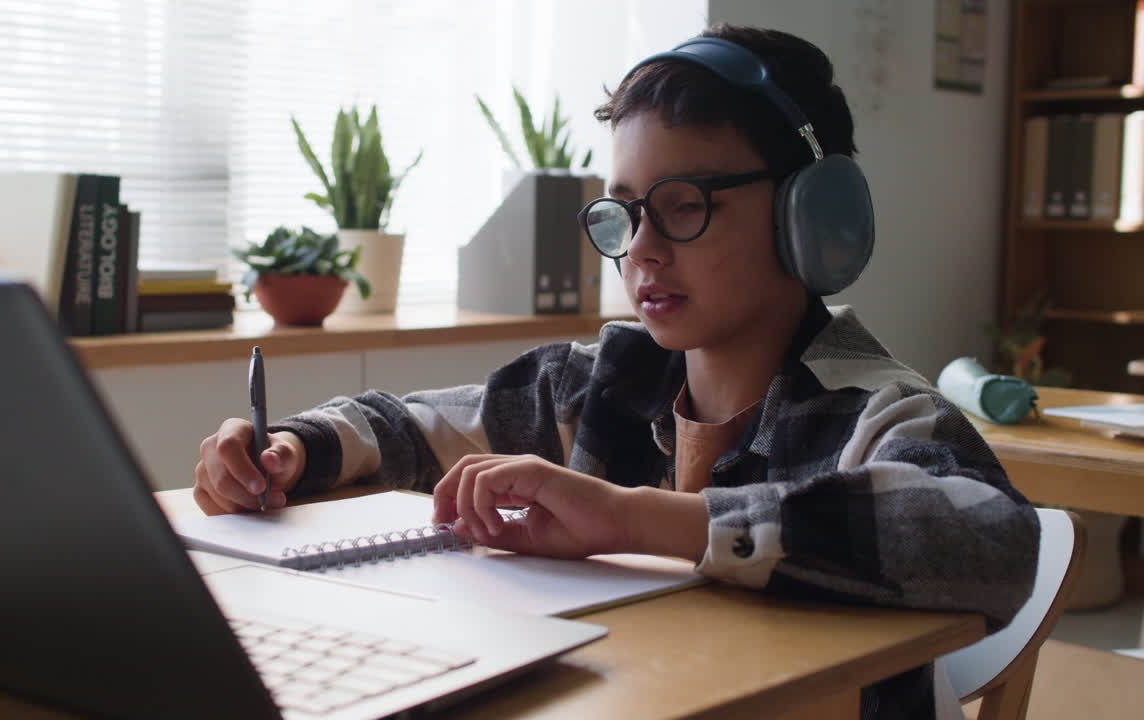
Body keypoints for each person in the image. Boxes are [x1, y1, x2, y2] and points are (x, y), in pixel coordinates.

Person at [196, 24, 1037, 719]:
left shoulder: (878, 409)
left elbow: (993, 538)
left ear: (808, 218)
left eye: (683, 206)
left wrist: (634, 519)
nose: (642, 248)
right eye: (625, 212)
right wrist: (291, 448)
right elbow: (413, 426)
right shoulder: (604, 381)